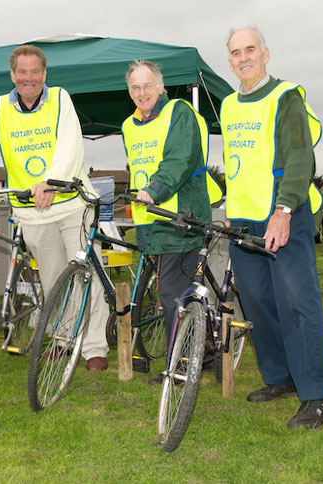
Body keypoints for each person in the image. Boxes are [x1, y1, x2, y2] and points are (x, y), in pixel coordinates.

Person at [0, 45, 109, 371]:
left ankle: (95, 347)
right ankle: (62, 339)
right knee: (53, 280)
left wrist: (53, 181)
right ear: (13, 75)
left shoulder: (59, 99)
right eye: (22, 72)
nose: (28, 78)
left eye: (34, 72)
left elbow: (70, 144)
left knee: (88, 276)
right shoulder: (0, 109)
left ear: (44, 73)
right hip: (32, 212)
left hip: (71, 205)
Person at [221, 26, 323, 429]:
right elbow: (237, 164)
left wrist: (283, 210)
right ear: (230, 60)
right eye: (236, 52)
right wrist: (232, 210)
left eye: (250, 49)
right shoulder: (229, 106)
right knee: (259, 306)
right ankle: (281, 378)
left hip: (283, 214)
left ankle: (317, 394)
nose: (244, 57)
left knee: (298, 303)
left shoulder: (286, 96)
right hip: (244, 221)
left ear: (265, 54)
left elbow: (300, 156)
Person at [122, 60, 217, 382]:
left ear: (160, 86)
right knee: (177, 293)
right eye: (135, 87)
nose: (142, 92)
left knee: (173, 295)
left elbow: (179, 159)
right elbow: (138, 167)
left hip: (181, 217)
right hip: (151, 220)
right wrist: (136, 199)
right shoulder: (129, 126)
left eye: (148, 85)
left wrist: (153, 190)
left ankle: (181, 366)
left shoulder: (179, 112)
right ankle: (197, 352)